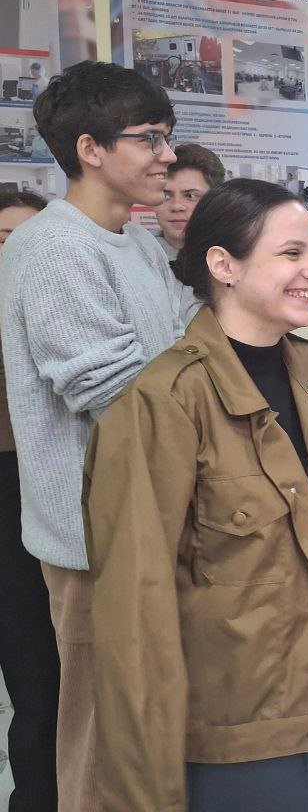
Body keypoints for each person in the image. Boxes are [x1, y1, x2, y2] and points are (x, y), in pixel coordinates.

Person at [83, 178, 308, 812]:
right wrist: (144, 783)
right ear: (223, 265)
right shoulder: (163, 402)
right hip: (252, 697)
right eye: (291, 254)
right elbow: (135, 609)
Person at [0, 60, 185, 812]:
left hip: (152, 516)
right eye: (151, 138)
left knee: (145, 721)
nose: (167, 155)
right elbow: (114, 394)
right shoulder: (51, 248)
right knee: (95, 729)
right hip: (94, 538)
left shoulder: (136, 244)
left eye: (168, 137)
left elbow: (182, 351)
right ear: (91, 148)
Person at [0, 191, 60, 812]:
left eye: (28, 239)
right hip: (7, 490)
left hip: (56, 487)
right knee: (34, 677)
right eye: (4, 240)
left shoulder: (61, 310)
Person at [155, 142, 226, 263]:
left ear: (215, 201)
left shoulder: (239, 255)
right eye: (166, 195)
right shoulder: (136, 254)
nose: (176, 206)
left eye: (190, 196)